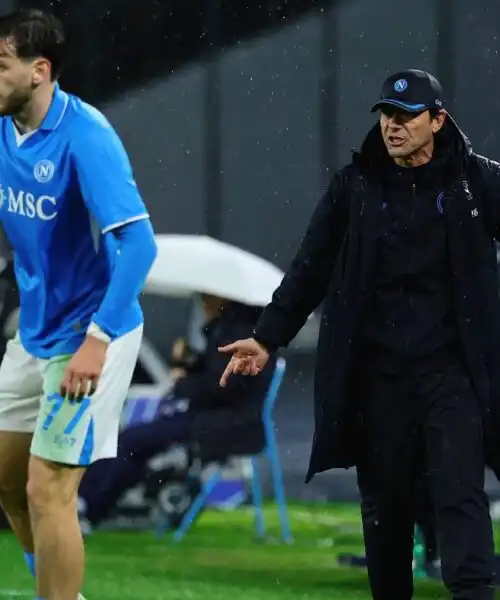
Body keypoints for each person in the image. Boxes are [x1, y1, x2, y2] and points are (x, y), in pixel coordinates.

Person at [219, 68, 500, 600]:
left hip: (451, 372)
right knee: (385, 506)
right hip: (377, 375)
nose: (394, 125)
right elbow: (310, 267)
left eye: (407, 116)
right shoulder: (355, 186)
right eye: (387, 114)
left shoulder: (478, 181)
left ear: (438, 121)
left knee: (460, 492)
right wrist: (266, 337)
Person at [0, 9, 157, 600]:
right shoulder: (2, 131)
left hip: (90, 334)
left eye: (0, 65)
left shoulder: (85, 135)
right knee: (8, 483)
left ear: (38, 70)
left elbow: (139, 245)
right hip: (35, 332)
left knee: (48, 490)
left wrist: (98, 341)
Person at [77, 294, 275, 530]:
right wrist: (188, 361)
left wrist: (183, 383)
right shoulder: (239, 333)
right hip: (215, 419)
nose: (203, 303)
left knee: (132, 442)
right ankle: (89, 503)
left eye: (206, 297)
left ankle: (88, 504)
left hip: (221, 423)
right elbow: (216, 376)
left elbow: (220, 386)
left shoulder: (240, 337)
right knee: (133, 442)